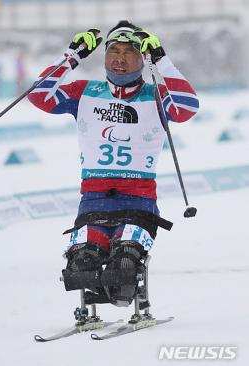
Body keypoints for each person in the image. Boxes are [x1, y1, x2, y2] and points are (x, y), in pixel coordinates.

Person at [28, 20, 199, 308]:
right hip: (94, 200)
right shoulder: (85, 91)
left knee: (124, 264)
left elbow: (187, 107)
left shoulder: (155, 96)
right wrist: (72, 56)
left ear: (141, 59)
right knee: (82, 263)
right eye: (113, 51)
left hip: (139, 201)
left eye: (128, 52)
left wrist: (161, 58)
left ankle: (127, 293)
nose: (119, 59)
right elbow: (38, 95)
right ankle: (95, 300)